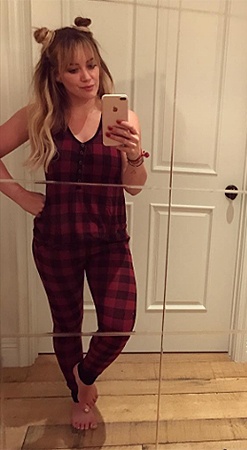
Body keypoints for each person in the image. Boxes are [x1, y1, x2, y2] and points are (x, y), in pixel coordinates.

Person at [0, 17, 147, 430]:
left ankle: (84, 377)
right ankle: (78, 398)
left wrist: (133, 154)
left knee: (118, 325)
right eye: (73, 69)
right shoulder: (40, 116)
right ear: (56, 75)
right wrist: (21, 196)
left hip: (109, 241)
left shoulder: (122, 118)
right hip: (56, 241)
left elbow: (135, 187)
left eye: (92, 65)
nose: (87, 76)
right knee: (67, 326)